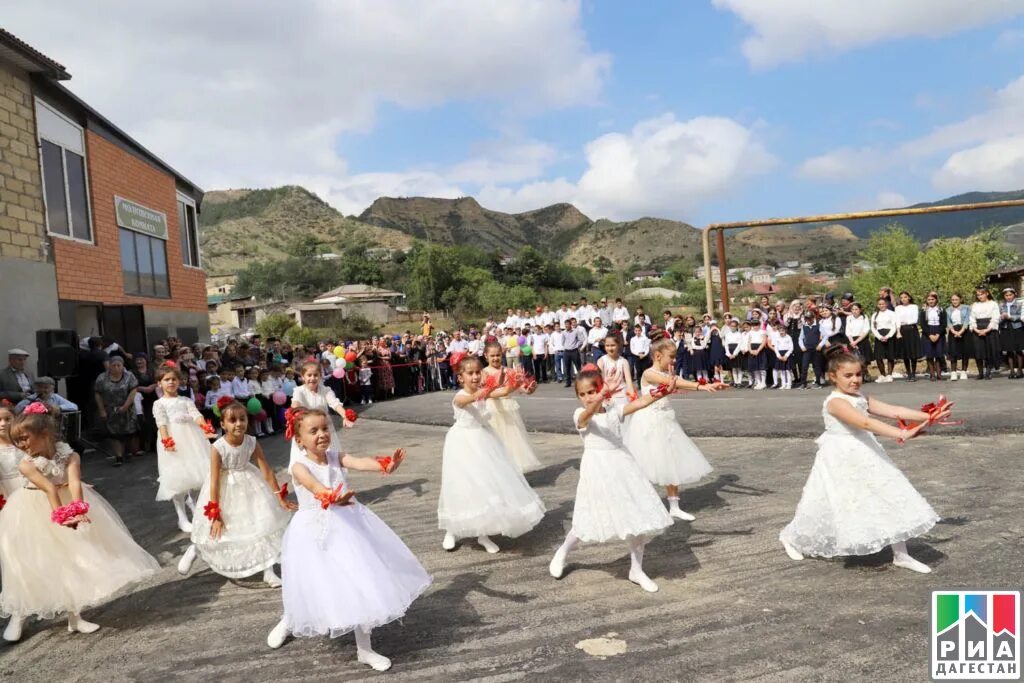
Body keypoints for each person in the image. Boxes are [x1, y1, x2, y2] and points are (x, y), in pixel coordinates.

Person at [265, 409, 429, 671]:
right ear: (299, 439)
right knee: (308, 583)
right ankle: (290, 620)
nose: (322, 434)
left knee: (358, 580)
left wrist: (384, 465)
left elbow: (359, 461)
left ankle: (364, 649)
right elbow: (314, 487)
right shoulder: (298, 466)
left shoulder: (334, 456)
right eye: (314, 431)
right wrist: (331, 496)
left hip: (347, 527)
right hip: (313, 532)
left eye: (325, 428)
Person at [779, 346, 949, 573]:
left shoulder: (860, 397)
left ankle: (901, 554)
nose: (855, 380)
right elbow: (865, 423)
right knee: (826, 504)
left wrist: (929, 416)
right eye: (848, 376)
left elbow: (892, 410)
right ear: (833, 377)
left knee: (888, 494)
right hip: (840, 456)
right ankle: (790, 537)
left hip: (866, 451)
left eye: (858, 374)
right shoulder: (835, 402)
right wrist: (901, 433)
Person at [0, 404, 160, 642]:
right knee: (29, 561)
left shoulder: (70, 454)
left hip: (63, 501)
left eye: (24, 438)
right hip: (32, 509)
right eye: (18, 440)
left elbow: (74, 482)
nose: (22, 445)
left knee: (70, 559)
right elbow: (48, 488)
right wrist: (62, 516)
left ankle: (74, 617)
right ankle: (20, 613)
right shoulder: (26, 463)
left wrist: (78, 509)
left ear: (44, 434)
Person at [548, 368, 676, 593]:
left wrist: (664, 391)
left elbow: (640, 403)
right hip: (597, 468)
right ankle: (562, 552)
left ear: (602, 388)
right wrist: (597, 399)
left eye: (593, 390)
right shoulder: (580, 413)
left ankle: (636, 570)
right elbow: (586, 416)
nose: (589, 396)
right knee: (589, 515)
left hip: (623, 466)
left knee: (638, 516)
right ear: (578, 397)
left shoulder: (614, 411)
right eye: (584, 393)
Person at [177, 401, 294, 585]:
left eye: (242, 419)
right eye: (232, 420)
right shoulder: (218, 447)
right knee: (220, 532)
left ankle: (268, 571)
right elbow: (214, 481)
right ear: (223, 424)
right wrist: (216, 514)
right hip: (224, 490)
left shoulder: (252, 442)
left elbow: (266, 471)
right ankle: (196, 550)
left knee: (260, 524)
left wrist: (279, 497)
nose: (238, 424)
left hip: (249, 484)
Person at [437, 356, 545, 554]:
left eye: (478, 372)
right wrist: (486, 390)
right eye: (470, 373)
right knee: (461, 485)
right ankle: (452, 530)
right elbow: (468, 400)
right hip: (462, 443)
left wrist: (518, 383)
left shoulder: (483, 393)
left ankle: (483, 533)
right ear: (460, 377)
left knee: (486, 485)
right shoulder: (459, 396)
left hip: (484, 441)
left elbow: (503, 391)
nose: (475, 376)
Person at [625, 339, 719, 523]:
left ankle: (674, 507)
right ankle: (637, 504)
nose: (674, 361)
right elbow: (673, 382)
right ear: (658, 355)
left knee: (671, 463)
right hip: (649, 423)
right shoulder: (649, 373)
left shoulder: (663, 371)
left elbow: (675, 380)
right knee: (644, 464)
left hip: (666, 421)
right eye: (672, 357)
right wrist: (700, 386)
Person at [153, 366, 214, 533]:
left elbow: (196, 415)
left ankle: (197, 510)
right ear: (159, 383)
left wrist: (205, 428)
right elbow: (162, 423)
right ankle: (181, 517)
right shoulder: (159, 404)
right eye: (166, 379)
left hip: (192, 440)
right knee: (178, 478)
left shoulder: (186, 400)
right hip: (174, 440)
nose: (171, 382)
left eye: (174, 379)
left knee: (196, 476)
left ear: (179, 382)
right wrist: (167, 441)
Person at [481, 341, 542, 474]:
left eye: (498, 355)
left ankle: (512, 472)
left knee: (512, 441)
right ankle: (497, 471)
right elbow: (485, 391)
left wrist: (529, 389)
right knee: (496, 440)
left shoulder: (509, 370)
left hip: (508, 408)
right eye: (492, 356)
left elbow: (520, 388)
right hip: (493, 408)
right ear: (486, 356)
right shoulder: (484, 372)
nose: (496, 358)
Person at [289, 361, 353, 463]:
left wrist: (345, 415)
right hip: (307, 430)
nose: (312, 378)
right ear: (303, 377)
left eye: (315, 375)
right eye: (309, 375)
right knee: (306, 461)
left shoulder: (326, 390)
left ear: (320, 376)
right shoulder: (299, 391)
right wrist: (293, 412)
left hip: (323, 429)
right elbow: (296, 404)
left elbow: (335, 403)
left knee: (328, 459)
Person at [93, 355, 139, 466]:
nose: (116, 367)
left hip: (127, 408)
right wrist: (102, 410)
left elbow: (133, 391)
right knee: (114, 434)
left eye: (119, 365)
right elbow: (98, 394)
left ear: (123, 366)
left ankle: (127, 452)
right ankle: (118, 457)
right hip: (110, 409)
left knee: (129, 432)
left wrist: (125, 406)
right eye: (114, 365)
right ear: (110, 366)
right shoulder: (102, 377)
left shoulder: (129, 376)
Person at [969, 286, 1000, 380]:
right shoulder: (975, 305)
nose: (980, 296)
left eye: (981, 294)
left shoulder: (993, 304)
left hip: (989, 328)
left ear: (987, 293)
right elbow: (972, 318)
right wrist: (976, 329)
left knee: (988, 351)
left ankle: (988, 371)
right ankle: (980, 372)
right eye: (978, 295)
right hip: (977, 329)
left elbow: (995, 317)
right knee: (978, 351)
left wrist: (987, 330)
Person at [597, 336, 634, 405]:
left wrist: (632, 397)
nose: (610, 348)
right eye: (607, 346)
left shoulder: (624, 361)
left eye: (613, 345)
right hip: (607, 393)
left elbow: (628, 381)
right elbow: (598, 381)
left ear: (618, 345)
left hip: (622, 394)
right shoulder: (601, 361)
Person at [919, 292, 947, 382]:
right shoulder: (924, 311)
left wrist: (938, 334)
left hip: (939, 331)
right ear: (927, 301)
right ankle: (932, 374)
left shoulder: (941, 310)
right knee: (930, 354)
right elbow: (923, 324)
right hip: (928, 332)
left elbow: (944, 323)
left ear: (936, 300)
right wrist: (929, 335)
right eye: (929, 300)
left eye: (932, 299)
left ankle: (939, 374)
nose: (931, 301)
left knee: (938, 354)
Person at [0, 403, 26, 499]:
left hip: (30, 488)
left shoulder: (25, 443)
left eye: (7, 419)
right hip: (6, 493)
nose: (3, 424)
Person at [894, 292, 921, 382]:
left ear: (909, 297)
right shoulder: (898, 308)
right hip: (902, 330)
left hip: (912, 329)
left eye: (905, 297)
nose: (903, 299)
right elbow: (897, 320)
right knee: (905, 353)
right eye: (901, 297)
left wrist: (905, 321)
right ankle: (908, 373)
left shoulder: (914, 306)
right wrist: (898, 331)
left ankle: (913, 373)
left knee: (913, 352)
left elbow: (915, 319)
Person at [871, 298, 898, 383]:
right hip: (879, 335)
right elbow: (873, 327)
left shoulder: (892, 313)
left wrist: (888, 336)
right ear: (877, 305)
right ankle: (882, 375)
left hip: (889, 334)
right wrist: (879, 337)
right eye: (879, 304)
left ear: (886, 304)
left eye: (883, 304)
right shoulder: (875, 314)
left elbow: (894, 325)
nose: (881, 306)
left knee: (890, 356)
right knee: (878, 357)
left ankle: (889, 375)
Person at [999, 287, 1023, 379]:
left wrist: (1010, 317)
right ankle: (1012, 370)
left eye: (1010, 295)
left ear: (1014, 294)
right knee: (1009, 350)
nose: (1008, 297)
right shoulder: (1001, 305)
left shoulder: (1019, 304)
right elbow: (998, 316)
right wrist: (1002, 317)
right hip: (1006, 327)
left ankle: (1020, 370)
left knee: (1018, 349)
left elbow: (1021, 316)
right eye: (1006, 295)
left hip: (1017, 327)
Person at [946, 293, 971, 381]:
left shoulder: (966, 308)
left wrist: (961, 331)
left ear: (960, 299)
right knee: (953, 352)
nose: (954, 301)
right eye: (953, 300)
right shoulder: (948, 309)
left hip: (964, 330)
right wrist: (953, 331)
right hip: (953, 331)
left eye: (956, 299)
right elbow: (948, 322)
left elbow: (967, 320)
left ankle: (964, 371)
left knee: (965, 351)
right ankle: (953, 372)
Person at [844, 302, 872, 367]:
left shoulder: (864, 317)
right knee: (854, 361)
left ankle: (865, 374)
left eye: (856, 309)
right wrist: (852, 342)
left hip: (862, 340)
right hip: (851, 341)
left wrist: (856, 342)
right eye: (853, 309)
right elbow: (848, 331)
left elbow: (866, 330)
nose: (854, 311)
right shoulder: (849, 318)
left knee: (864, 360)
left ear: (860, 309)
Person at [561, 319, 585, 388]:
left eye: (567, 324)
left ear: (570, 325)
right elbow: (562, 342)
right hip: (566, 351)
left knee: (578, 367)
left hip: (574, 351)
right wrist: (566, 346)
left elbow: (581, 340)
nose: (566, 326)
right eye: (565, 324)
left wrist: (576, 345)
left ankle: (581, 382)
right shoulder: (563, 332)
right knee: (567, 367)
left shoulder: (576, 331)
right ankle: (568, 382)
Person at [772, 321, 795, 389]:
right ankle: (783, 384)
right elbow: (775, 347)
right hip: (780, 354)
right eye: (780, 331)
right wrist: (778, 355)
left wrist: (786, 355)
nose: (781, 332)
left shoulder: (788, 337)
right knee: (782, 370)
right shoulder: (777, 338)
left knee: (787, 370)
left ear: (785, 330)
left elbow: (791, 347)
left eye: (783, 330)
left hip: (787, 354)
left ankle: (789, 384)